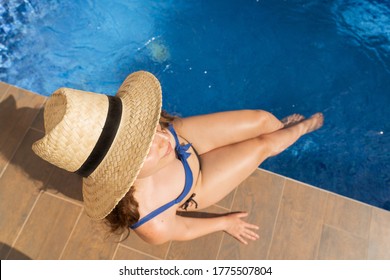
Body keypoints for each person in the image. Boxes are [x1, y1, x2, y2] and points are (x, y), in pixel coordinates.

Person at [32, 71, 324, 245]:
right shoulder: (151, 220)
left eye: (146, 127)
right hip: (197, 182)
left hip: (186, 144)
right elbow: (182, 228)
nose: (160, 137)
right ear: (123, 175)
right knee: (264, 144)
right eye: (141, 148)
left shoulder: (164, 139)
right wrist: (224, 223)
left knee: (264, 121)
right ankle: (303, 128)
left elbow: (161, 139)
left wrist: (163, 137)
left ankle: (284, 129)